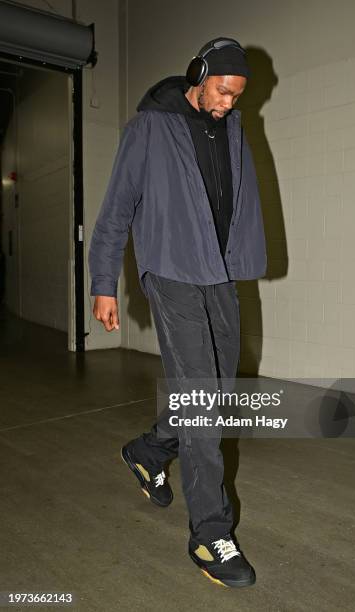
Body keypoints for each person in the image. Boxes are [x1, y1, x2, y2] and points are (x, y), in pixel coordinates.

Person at [88, 37, 267, 588]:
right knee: (203, 406)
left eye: (237, 96)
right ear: (199, 75)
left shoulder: (232, 128)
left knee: (217, 392)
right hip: (171, 274)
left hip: (218, 273)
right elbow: (117, 208)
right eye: (221, 90)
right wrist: (104, 284)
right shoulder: (150, 127)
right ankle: (210, 534)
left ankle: (146, 451)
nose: (227, 103)